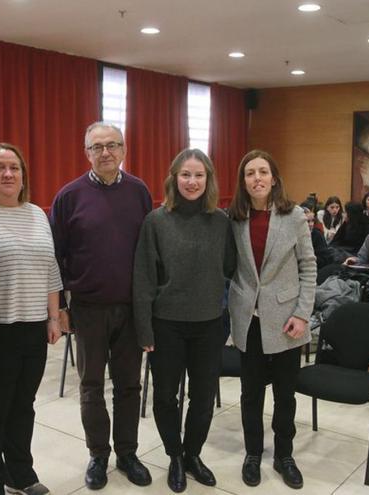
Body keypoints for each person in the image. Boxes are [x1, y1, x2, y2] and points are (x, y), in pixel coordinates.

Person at [49, 122, 153, 490]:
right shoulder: (69, 196)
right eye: (98, 147)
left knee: (129, 385)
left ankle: (127, 453)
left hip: (130, 308)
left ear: (124, 150)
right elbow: (55, 256)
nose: (106, 152)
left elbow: (148, 252)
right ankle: (98, 454)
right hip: (88, 309)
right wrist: (60, 306)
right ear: (87, 153)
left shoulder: (140, 192)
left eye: (113, 145)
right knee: (92, 385)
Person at [133, 149, 234, 493]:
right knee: (164, 396)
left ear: (209, 180)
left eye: (199, 175)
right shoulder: (156, 221)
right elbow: (144, 277)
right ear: (174, 178)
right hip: (166, 324)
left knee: (204, 397)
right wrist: (144, 327)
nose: (192, 182)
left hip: (208, 324)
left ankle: (193, 454)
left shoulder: (221, 222)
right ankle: (174, 455)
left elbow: (231, 269)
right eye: (186, 175)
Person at [0, 143, 62, 495]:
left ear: (23, 176)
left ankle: (20, 474)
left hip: (33, 328)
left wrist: (53, 318)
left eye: (15, 168)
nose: (8, 174)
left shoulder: (36, 213)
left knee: (23, 407)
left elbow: (50, 268)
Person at [227, 150, 317, 490]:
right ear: (243, 181)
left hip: (285, 318)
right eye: (250, 173)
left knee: (284, 394)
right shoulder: (234, 217)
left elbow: (308, 266)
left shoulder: (293, 215)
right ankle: (252, 453)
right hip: (247, 317)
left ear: (274, 178)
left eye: (263, 171)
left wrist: (302, 314)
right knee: (251, 394)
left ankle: (284, 455)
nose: (257, 178)